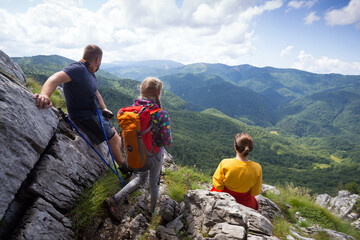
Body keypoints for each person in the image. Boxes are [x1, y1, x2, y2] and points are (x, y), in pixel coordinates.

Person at [33, 44, 124, 167]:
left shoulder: (88, 71)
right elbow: (54, 78)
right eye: (100, 61)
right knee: (113, 138)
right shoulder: (78, 69)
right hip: (85, 117)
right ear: (97, 60)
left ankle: (123, 162)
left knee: (116, 135)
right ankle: (124, 167)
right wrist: (45, 95)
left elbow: (96, 92)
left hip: (93, 113)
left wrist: (104, 109)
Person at [103, 76, 172, 221]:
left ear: (141, 90)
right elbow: (166, 140)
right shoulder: (161, 114)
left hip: (136, 153)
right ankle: (151, 212)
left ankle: (115, 199)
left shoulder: (132, 111)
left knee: (141, 179)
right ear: (159, 92)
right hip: (154, 155)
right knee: (153, 183)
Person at [211, 132, 262, 210]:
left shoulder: (225, 163)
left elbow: (218, 185)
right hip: (245, 203)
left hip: (225, 198)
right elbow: (255, 192)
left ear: (235, 147)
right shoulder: (257, 167)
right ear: (250, 149)